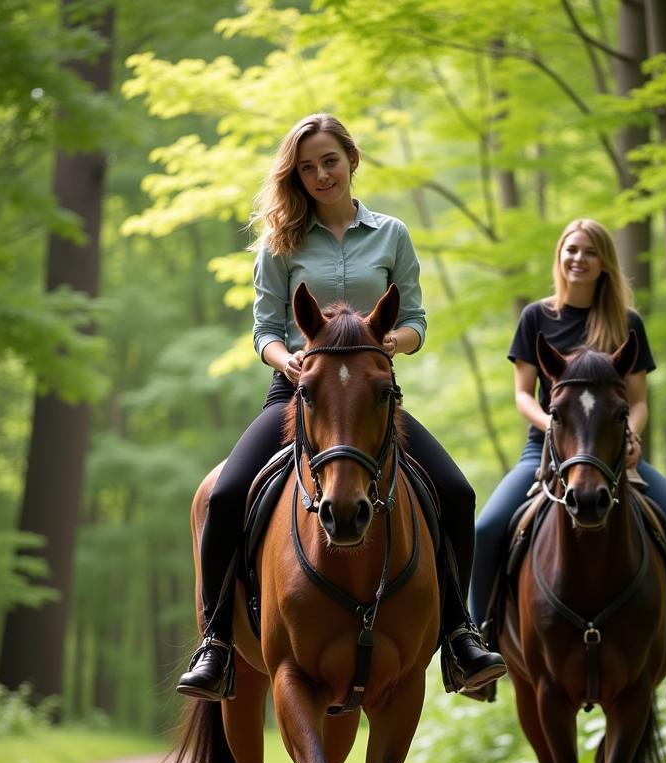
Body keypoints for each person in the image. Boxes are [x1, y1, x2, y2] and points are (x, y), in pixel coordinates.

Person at [177, 113, 505, 701]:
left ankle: (460, 634)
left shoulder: (393, 234)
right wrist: (289, 361)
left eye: (329, 161)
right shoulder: (282, 242)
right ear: (296, 177)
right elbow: (264, 332)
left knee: (456, 492)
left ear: (351, 160)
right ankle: (216, 646)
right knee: (225, 495)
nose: (321, 174)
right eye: (307, 167)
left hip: (373, 400)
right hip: (300, 393)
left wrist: (390, 343)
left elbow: (415, 323)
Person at [469, 218, 666, 702]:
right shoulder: (537, 317)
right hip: (544, 450)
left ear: (605, 262)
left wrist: (631, 436)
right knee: (485, 530)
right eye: (570, 250)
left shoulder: (627, 323)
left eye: (588, 252)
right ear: (559, 257)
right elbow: (523, 394)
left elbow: (639, 399)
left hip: (615, 458)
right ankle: (480, 644)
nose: (577, 259)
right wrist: (555, 429)